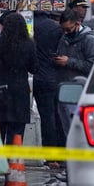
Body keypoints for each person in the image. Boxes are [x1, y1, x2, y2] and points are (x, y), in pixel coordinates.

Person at [52, 10, 94, 146]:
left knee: (80, 133)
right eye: (63, 30)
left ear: (78, 24)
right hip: (65, 90)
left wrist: (69, 61)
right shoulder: (64, 38)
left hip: (81, 92)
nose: (66, 32)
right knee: (67, 130)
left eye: (68, 29)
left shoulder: (90, 40)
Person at [0, 12, 37, 145]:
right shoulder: (29, 44)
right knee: (16, 131)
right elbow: (34, 68)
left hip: (0, 89)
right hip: (19, 90)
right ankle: (13, 161)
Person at [32, 10, 64, 148]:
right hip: (55, 76)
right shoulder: (56, 28)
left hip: (37, 77)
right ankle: (57, 151)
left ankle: (49, 151)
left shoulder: (29, 26)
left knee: (46, 117)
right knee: (56, 116)